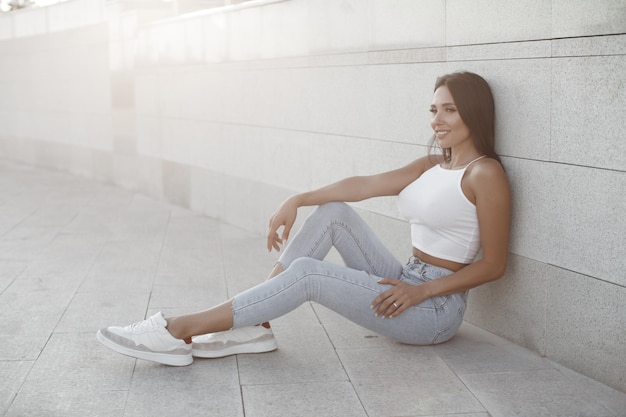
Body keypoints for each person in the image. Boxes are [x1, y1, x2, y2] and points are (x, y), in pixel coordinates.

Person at [96, 71, 511, 367]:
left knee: (309, 274)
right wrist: (298, 198)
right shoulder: (430, 164)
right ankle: (255, 321)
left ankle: (177, 329)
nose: (436, 120)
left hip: (435, 309)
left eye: (449, 111)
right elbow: (364, 185)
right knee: (333, 213)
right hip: (406, 279)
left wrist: (422, 293)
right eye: (433, 109)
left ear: (472, 114)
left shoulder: (485, 173)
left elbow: (494, 265)